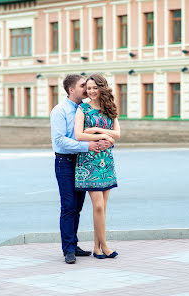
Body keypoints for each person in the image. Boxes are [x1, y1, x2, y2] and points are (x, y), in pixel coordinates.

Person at [50, 74, 113, 264]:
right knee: (68, 206)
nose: (87, 89)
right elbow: (59, 141)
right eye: (83, 86)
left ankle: (74, 244)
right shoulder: (59, 111)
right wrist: (88, 146)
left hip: (84, 162)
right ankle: (68, 249)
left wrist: (104, 142)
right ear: (71, 90)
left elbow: (101, 130)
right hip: (65, 162)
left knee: (77, 207)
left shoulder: (85, 109)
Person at [74, 73, 120, 259]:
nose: (91, 91)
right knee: (98, 207)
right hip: (89, 163)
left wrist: (97, 130)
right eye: (89, 88)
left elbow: (117, 133)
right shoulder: (82, 109)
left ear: (102, 88)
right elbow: (79, 135)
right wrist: (104, 137)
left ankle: (96, 247)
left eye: (95, 88)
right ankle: (105, 246)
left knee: (102, 209)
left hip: (106, 162)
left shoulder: (110, 109)